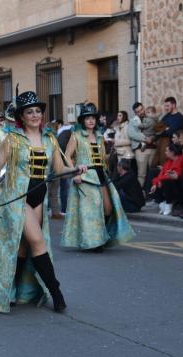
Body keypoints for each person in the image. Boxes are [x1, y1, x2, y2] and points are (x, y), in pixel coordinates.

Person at [0, 91, 87, 314]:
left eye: (38, 111)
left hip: (39, 197)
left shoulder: (49, 139)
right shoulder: (13, 139)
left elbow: (59, 169)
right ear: (21, 116)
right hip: (17, 197)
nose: (35, 115)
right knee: (38, 241)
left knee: (23, 247)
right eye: (29, 112)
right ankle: (56, 292)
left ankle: (12, 290)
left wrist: (76, 169)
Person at [61, 103, 134, 252]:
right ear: (82, 120)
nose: (90, 121)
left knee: (108, 209)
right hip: (85, 177)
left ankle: (101, 236)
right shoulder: (76, 136)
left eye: (93, 118)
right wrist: (75, 173)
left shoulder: (100, 137)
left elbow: (101, 158)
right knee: (91, 211)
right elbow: (67, 156)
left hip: (101, 175)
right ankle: (94, 242)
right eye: (87, 118)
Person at [150, 143, 183, 216]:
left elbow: (173, 175)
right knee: (155, 181)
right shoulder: (168, 161)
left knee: (166, 181)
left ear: (172, 152)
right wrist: (155, 183)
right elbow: (161, 175)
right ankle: (162, 202)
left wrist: (160, 180)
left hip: (178, 184)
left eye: (166, 151)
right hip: (168, 182)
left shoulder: (180, 160)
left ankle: (169, 203)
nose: (165, 152)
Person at [129, 102, 156, 186]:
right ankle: (140, 194)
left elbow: (157, 131)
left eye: (141, 109)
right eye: (138, 111)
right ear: (135, 113)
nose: (141, 112)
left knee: (153, 172)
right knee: (141, 174)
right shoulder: (133, 121)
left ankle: (152, 194)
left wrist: (152, 138)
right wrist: (145, 139)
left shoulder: (151, 118)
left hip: (153, 148)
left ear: (144, 108)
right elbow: (131, 134)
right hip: (140, 150)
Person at [156, 96, 183, 165]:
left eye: (167, 106)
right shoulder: (166, 116)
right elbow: (157, 129)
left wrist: (165, 129)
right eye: (165, 106)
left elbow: (170, 132)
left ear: (174, 105)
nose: (166, 108)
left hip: (173, 149)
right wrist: (166, 128)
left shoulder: (179, 117)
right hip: (163, 147)